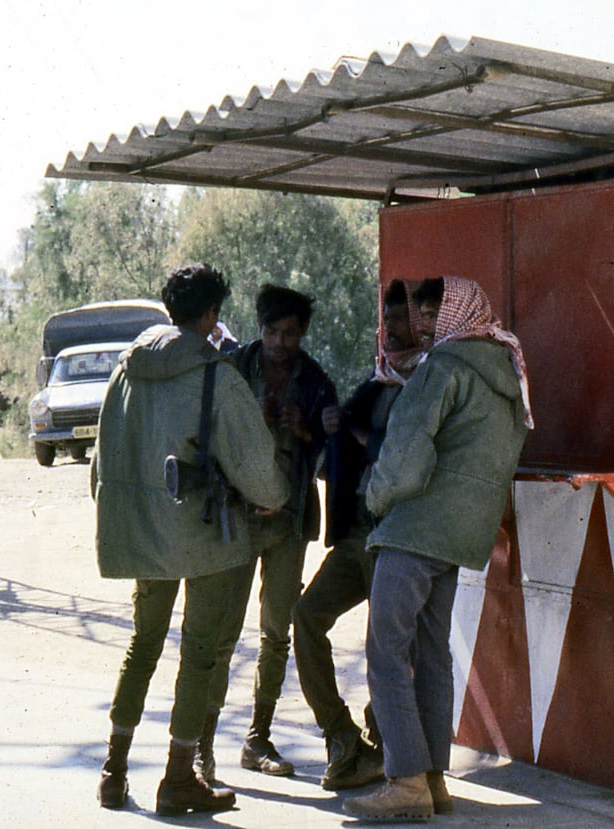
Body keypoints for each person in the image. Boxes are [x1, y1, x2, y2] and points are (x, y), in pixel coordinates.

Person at [92, 264, 288, 816]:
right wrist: (271, 495)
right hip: (204, 534)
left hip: (142, 534)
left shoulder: (125, 371)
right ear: (210, 314)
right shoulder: (215, 374)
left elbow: (100, 466)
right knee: (198, 654)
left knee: (142, 646)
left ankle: (114, 770)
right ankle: (179, 779)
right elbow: (255, 465)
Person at [343, 276, 533, 822]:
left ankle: (405, 781)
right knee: (431, 655)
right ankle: (432, 779)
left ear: (457, 315)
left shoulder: (442, 370)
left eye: (432, 315)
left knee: (386, 653)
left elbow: (406, 459)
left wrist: (376, 496)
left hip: (414, 528)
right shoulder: (506, 372)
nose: (423, 326)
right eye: (420, 316)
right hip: (460, 536)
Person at [195, 283, 337, 781]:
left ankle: (257, 738)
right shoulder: (231, 370)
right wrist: (247, 423)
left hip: (289, 523)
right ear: (259, 329)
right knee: (221, 635)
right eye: (272, 332)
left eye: (290, 334)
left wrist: (305, 433)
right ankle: (202, 746)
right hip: (237, 522)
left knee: (276, 633)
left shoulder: (315, 380)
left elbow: (331, 443)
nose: (280, 343)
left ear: (302, 334)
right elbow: (205, 435)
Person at [292, 279, 422, 791]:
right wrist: (335, 426)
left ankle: (388, 743)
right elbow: (348, 444)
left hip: (395, 536)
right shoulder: (381, 380)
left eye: (401, 321)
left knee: (387, 648)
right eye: (387, 321)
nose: (391, 331)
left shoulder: (429, 379)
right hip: (357, 536)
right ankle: (343, 738)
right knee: (306, 619)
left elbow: (409, 454)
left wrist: (358, 435)